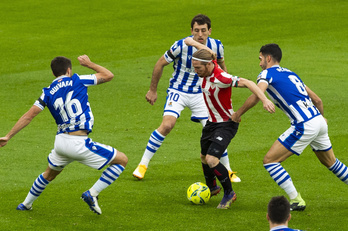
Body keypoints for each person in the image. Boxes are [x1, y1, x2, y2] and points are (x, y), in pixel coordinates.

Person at [0, 55, 128, 215]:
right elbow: (108, 75)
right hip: (78, 142)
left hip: (61, 143)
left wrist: (8, 136)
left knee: (49, 174)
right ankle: (92, 193)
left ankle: (25, 204)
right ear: (69, 70)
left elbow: (28, 116)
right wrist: (89, 64)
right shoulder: (78, 80)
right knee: (122, 161)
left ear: (54, 74)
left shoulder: (46, 93)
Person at [232, 43, 348, 211]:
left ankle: (296, 200)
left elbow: (257, 95)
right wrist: (322, 118)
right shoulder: (291, 73)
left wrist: (237, 114)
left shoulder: (266, 74)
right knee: (331, 162)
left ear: (268, 58)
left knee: (270, 161)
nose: (259, 63)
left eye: (260, 59)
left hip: (304, 125)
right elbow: (318, 100)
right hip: (318, 121)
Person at [133, 14, 240, 182]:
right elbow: (160, 63)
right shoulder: (181, 45)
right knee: (167, 125)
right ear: (191, 31)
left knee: (215, 130)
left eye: (203, 30)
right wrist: (152, 90)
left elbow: (220, 66)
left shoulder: (217, 45)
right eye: (196, 30)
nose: (200, 34)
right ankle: (142, 165)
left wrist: (225, 84)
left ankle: (228, 170)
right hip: (179, 90)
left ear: (209, 31)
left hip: (201, 94)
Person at [185, 37, 275, 208]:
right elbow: (210, 53)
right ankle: (212, 188)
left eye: (198, 68)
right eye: (194, 67)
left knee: (212, 159)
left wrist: (264, 100)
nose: (196, 71)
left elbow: (248, 83)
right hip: (211, 123)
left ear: (209, 65)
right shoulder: (208, 65)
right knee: (204, 157)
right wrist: (193, 43)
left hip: (226, 123)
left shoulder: (222, 77)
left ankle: (229, 193)